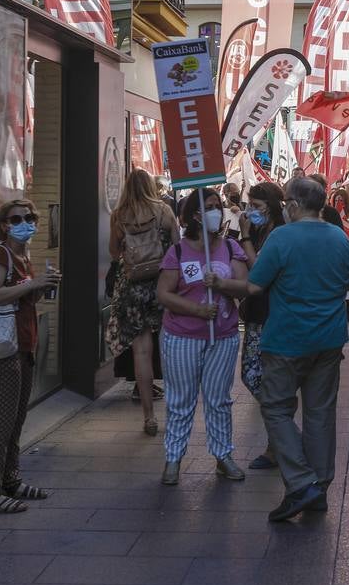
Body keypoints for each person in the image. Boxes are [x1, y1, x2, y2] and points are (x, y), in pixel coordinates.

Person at [224, 177, 349, 521]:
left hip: (287, 339)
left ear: (295, 206)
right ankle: (320, 486)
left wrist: (220, 283)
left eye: (286, 203)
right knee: (320, 413)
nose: (284, 208)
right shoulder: (337, 236)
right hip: (329, 339)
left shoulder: (282, 237)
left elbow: (255, 285)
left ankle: (300, 482)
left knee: (275, 407)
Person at [156, 188, 249, 485]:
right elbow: (163, 294)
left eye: (218, 206)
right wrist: (196, 310)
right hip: (182, 337)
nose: (216, 211)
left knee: (219, 400)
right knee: (180, 400)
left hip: (222, 337)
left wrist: (221, 284)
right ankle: (173, 458)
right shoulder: (178, 252)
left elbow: (244, 286)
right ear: (194, 214)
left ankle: (223, 455)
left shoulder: (231, 247)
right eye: (209, 207)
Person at [0, 198, 60, 513]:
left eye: (28, 217)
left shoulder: (23, 256)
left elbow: (25, 298)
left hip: (23, 345)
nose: (23, 223)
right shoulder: (0, 255)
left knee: (16, 419)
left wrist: (40, 287)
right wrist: (33, 284)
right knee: (0, 421)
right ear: (2, 225)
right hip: (0, 348)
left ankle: (10, 479)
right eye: (15, 219)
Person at [108, 170, 178, 432]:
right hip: (162, 286)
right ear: (150, 186)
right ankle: (176, 410)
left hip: (132, 288)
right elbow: (177, 247)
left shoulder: (119, 215)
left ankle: (149, 416)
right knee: (169, 348)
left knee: (141, 352)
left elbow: (114, 253)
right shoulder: (164, 210)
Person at [234, 181, 285, 470]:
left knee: (259, 375)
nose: (251, 211)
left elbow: (260, 269)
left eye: (257, 206)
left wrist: (244, 237)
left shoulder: (277, 233)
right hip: (255, 312)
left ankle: (279, 439)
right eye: (249, 205)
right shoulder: (258, 230)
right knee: (252, 375)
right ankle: (282, 434)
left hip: (270, 312)